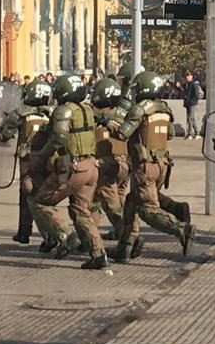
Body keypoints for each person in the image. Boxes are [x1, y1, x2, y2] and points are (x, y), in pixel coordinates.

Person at [110, 72, 194, 263]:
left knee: (148, 209)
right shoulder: (164, 109)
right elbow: (170, 134)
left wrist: (111, 124)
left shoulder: (139, 109)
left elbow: (123, 134)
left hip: (144, 166)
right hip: (162, 164)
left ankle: (182, 229)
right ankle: (125, 248)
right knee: (131, 203)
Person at [35, 75, 106, 269]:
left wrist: (42, 155)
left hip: (75, 167)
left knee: (42, 201)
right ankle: (98, 253)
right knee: (81, 210)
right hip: (92, 166)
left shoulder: (64, 111)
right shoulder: (88, 109)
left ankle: (68, 236)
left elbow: (58, 138)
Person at [0, 79, 64, 247]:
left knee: (28, 197)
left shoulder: (20, 113)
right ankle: (47, 234)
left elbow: (4, 134)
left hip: (28, 161)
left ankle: (30, 233)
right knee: (44, 197)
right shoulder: (53, 112)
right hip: (49, 160)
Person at [91, 78, 130, 241]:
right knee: (118, 199)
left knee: (102, 202)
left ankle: (127, 236)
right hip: (125, 164)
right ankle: (115, 233)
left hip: (106, 164)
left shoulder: (95, 115)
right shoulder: (124, 113)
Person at [182, 71, 204, 139]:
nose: (187, 77)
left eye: (189, 76)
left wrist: (191, 101)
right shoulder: (186, 84)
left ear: (191, 76)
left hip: (192, 103)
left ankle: (190, 134)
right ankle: (197, 133)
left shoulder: (194, 84)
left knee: (190, 118)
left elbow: (196, 95)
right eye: (187, 76)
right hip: (188, 103)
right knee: (192, 118)